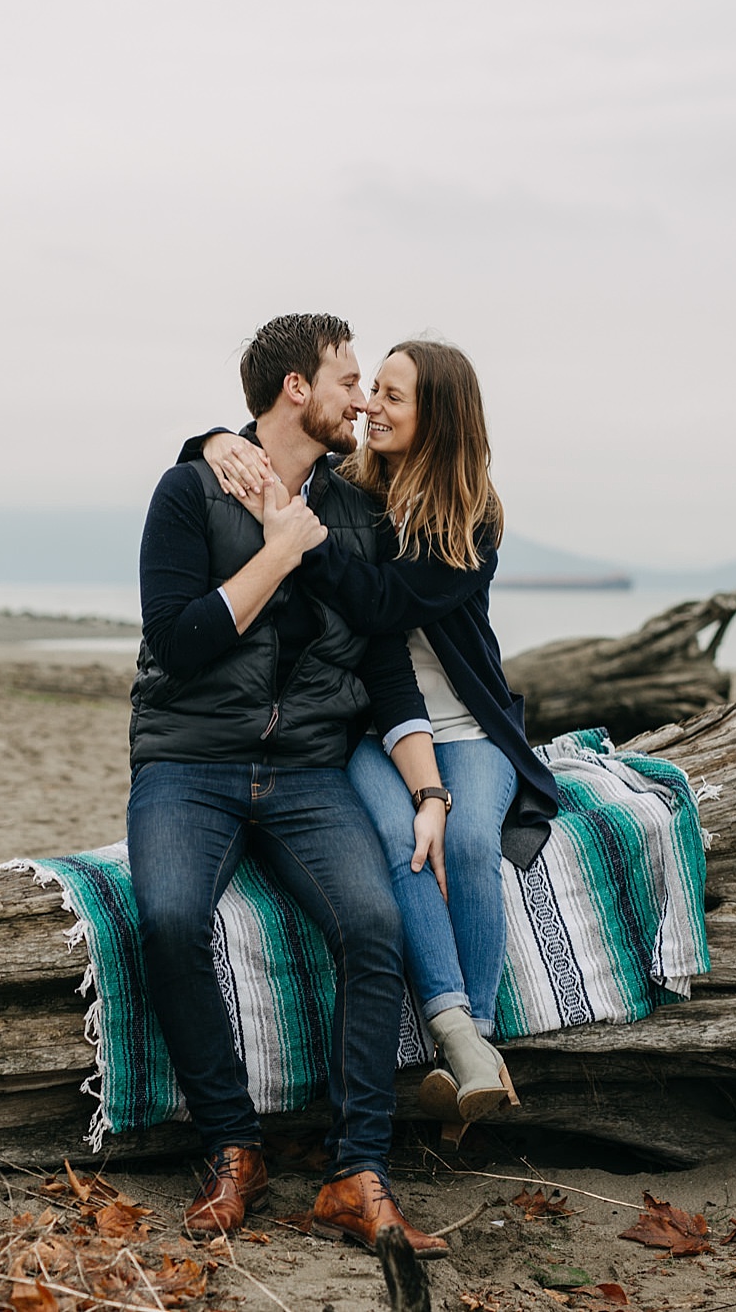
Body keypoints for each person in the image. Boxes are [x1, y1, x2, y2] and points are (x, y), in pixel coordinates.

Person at [128, 313, 451, 1257]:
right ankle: (235, 1146)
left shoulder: (361, 513)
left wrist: (430, 790)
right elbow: (178, 645)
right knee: (171, 919)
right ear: (296, 390)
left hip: (309, 771)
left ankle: (358, 1172)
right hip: (190, 760)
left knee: (375, 923)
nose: (362, 398)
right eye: (349, 380)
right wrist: (276, 548)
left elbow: (387, 668)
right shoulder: (188, 491)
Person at [196, 338, 559, 1137]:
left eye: (393, 396)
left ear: (440, 416)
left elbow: (386, 608)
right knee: (403, 841)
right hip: (380, 728)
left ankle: (475, 1053)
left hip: (467, 728)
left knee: (465, 845)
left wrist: (308, 545)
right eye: (372, 391)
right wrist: (212, 440)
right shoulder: (355, 489)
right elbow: (271, 446)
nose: (370, 407)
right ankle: (466, 1046)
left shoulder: (473, 516)